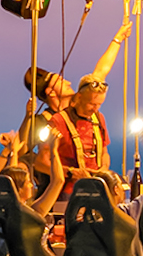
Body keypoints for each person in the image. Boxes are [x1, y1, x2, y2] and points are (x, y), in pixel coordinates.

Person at [24, 21, 131, 183]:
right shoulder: (47, 121)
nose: (67, 82)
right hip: (63, 189)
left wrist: (117, 39)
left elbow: (101, 71)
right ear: (50, 92)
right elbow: (25, 150)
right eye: (60, 80)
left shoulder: (93, 111)